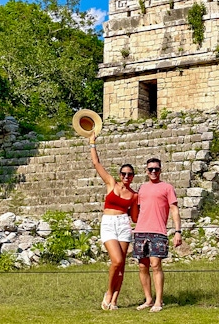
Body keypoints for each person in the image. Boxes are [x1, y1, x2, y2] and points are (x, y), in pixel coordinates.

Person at [89, 132, 138, 310]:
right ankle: (109, 292)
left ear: (133, 176)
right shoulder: (111, 183)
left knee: (122, 264)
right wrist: (92, 143)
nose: (126, 176)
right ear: (119, 175)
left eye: (130, 174)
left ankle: (115, 300)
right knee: (116, 261)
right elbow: (96, 164)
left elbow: (134, 217)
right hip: (109, 222)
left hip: (124, 224)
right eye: (124, 173)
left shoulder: (134, 195)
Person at [133, 158, 182, 313]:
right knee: (142, 266)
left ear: (160, 170)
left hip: (158, 231)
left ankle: (159, 301)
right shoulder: (142, 188)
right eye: (150, 169)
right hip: (141, 231)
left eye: (156, 169)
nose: (153, 172)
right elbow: (138, 210)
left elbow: (174, 210)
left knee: (156, 265)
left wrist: (177, 231)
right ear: (146, 171)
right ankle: (148, 299)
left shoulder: (167, 188)